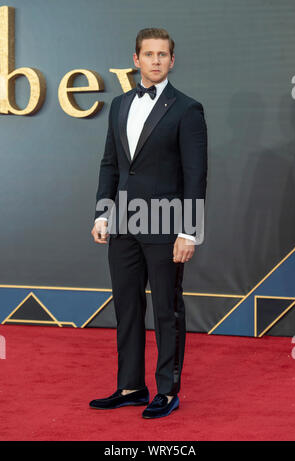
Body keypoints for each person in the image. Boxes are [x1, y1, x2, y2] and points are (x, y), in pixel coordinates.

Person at [90, 28, 207, 419]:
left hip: (166, 225)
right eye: (149, 54)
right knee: (126, 306)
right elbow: (111, 164)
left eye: (163, 54)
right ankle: (131, 386)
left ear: (172, 61)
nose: (156, 60)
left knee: (167, 311)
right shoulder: (120, 104)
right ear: (135, 59)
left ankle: (168, 391)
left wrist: (189, 230)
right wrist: (103, 213)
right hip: (123, 224)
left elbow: (196, 175)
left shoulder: (187, 109)